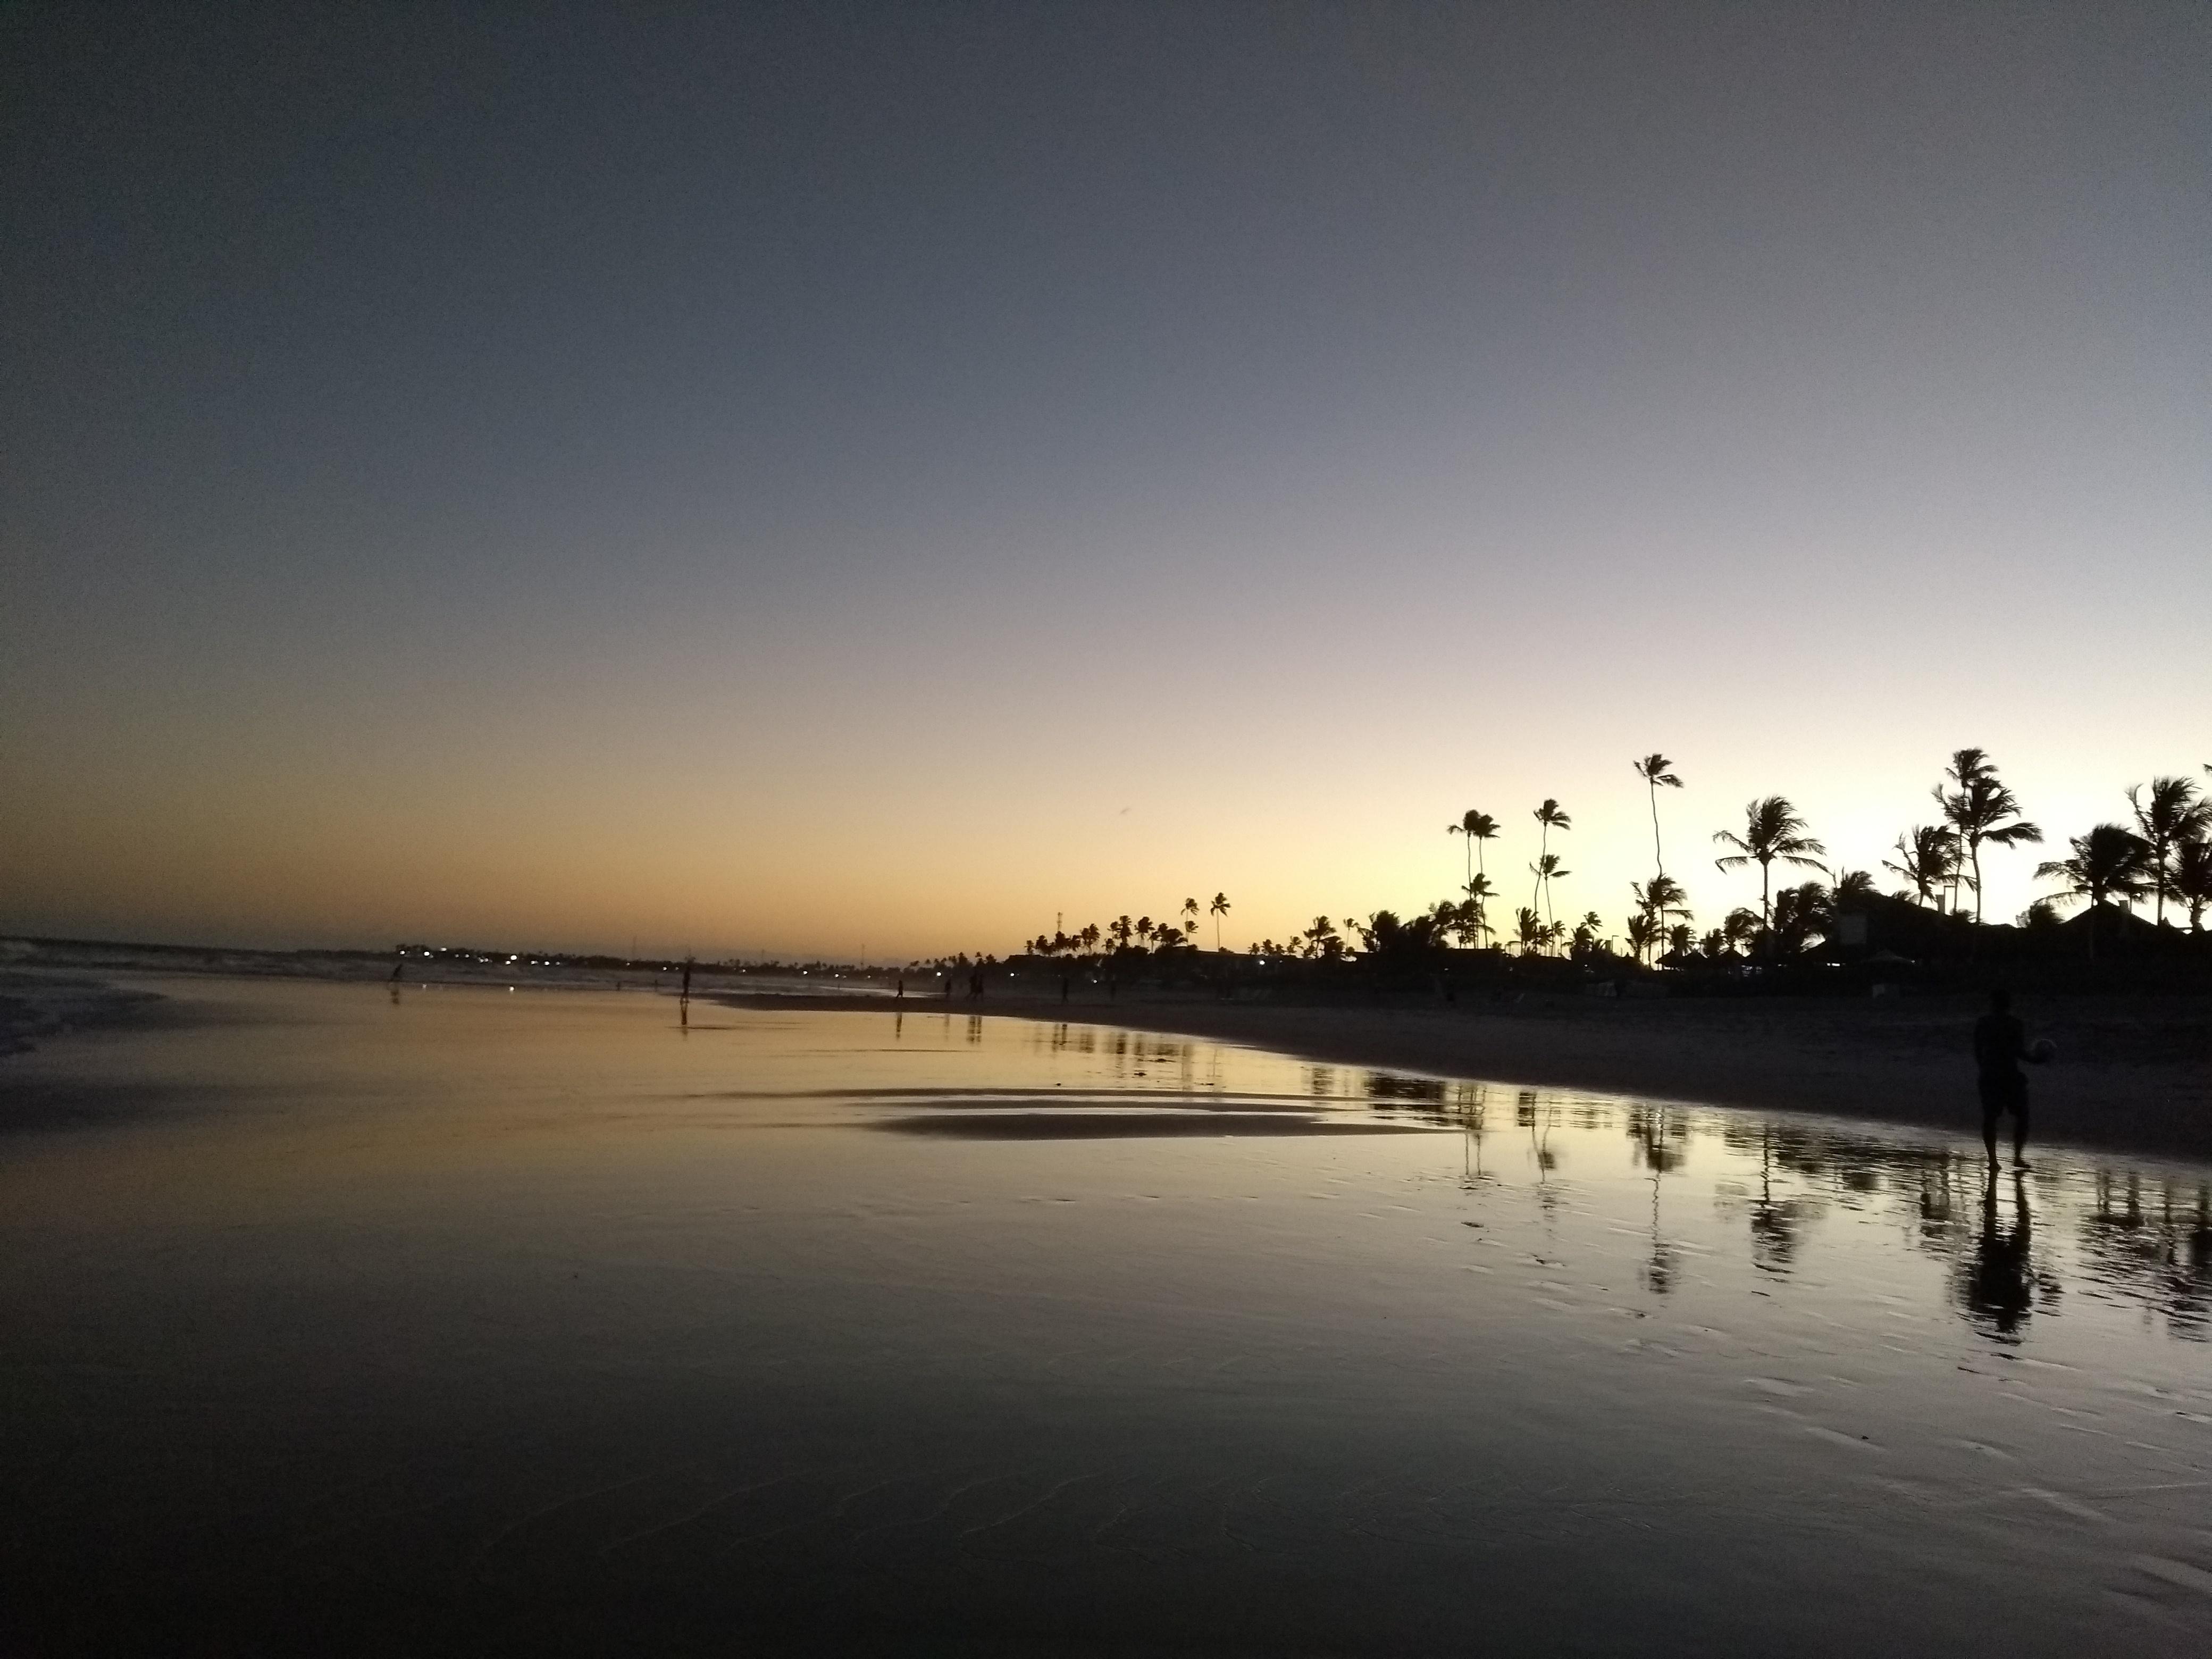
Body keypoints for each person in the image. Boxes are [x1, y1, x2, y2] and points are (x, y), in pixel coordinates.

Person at [1973, 988, 2037, 1168]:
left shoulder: (1983, 1022)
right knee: (2022, 1116)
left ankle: (1993, 1160)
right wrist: (2036, 1059)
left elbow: (1977, 1050)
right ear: (2009, 1004)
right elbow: (2020, 1051)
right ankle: (2017, 1157)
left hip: (1990, 1075)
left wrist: (1984, 1068)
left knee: (1990, 1118)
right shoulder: (2015, 1023)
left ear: (1992, 1003)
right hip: (2010, 1074)